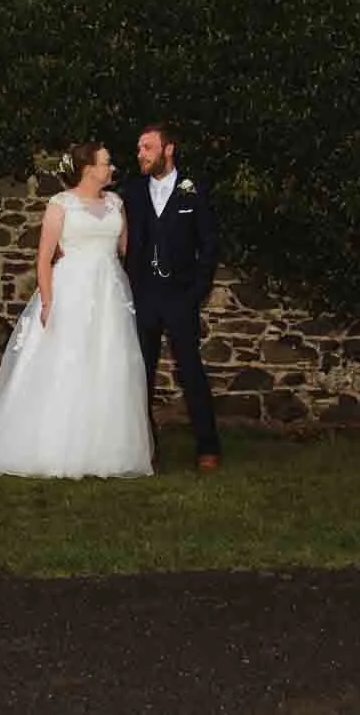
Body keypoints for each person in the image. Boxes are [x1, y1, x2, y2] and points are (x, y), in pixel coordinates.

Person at [0, 142, 154, 479]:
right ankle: (53, 444)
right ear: (88, 168)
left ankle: (105, 448)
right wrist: (49, 302)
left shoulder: (116, 203)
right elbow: (44, 258)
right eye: (106, 163)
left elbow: (126, 248)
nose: (112, 169)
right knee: (67, 360)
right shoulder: (60, 205)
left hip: (109, 291)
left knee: (108, 361)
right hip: (72, 291)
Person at [119, 122, 223, 472]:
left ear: (168, 149)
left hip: (180, 296)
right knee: (141, 373)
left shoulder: (194, 190)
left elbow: (209, 244)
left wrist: (197, 291)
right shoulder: (132, 192)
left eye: (147, 148)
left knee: (191, 370)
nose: (140, 155)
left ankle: (208, 446)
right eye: (138, 149)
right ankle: (144, 447)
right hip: (144, 295)